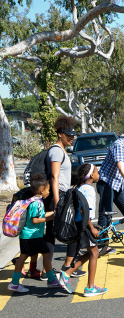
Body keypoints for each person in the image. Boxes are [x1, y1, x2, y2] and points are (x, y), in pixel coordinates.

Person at [42, 115, 87, 280]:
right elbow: (54, 177)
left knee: (54, 232)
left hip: (61, 195)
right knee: (68, 230)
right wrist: (57, 201)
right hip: (58, 196)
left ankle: (58, 268)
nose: (72, 137)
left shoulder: (62, 151)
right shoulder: (56, 151)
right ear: (60, 134)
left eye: (73, 135)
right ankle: (60, 268)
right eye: (69, 134)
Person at [58, 164, 108, 297]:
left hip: (80, 224)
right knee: (94, 253)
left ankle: (66, 274)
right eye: (97, 172)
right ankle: (90, 288)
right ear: (91, 175)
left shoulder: (81, 187)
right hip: (85, 225)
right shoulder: (89, 190)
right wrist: (92, 228)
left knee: (92, 253)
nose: (98, 174)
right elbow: (83, 210)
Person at [8, 173, 62, 292]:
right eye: (48, 190)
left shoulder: (31, 200)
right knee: (47, 254)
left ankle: (14, 283)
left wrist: (53, 214)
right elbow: (35, 219)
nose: (49, 192)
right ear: (42, 190)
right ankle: (51, 280)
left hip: (25, 235)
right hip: (33, 235)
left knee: (22, 257)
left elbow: (39, 215)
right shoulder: (38, 203)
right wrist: (50, 218)